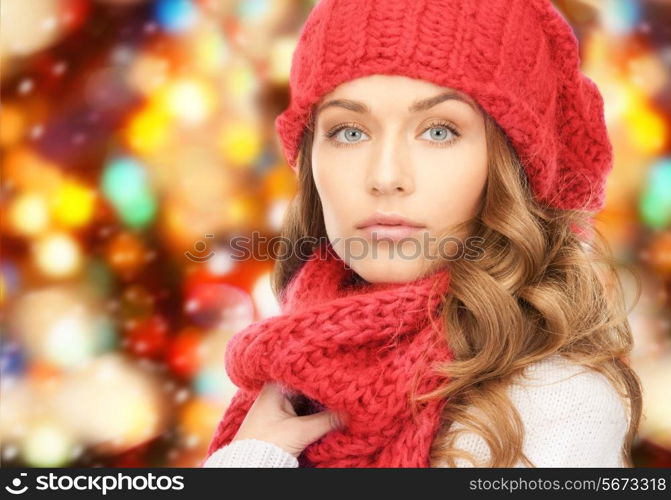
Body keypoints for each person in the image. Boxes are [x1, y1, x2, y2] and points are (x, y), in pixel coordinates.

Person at [201, 0, 642, 468]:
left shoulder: (557, 402)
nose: (386, 175)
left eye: (438, 132)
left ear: (508, 163)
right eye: (349, 132)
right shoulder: (291, 373)